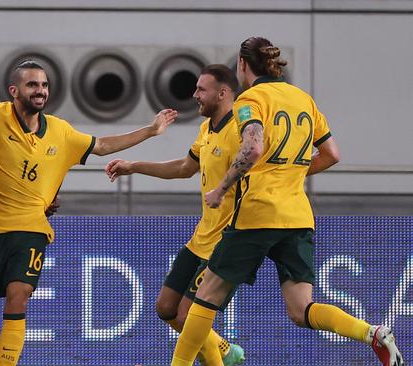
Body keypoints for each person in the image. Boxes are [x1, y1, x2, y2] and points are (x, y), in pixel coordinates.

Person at [170, 37, 403, 366]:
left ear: (242, 65)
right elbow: (332, 154)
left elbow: (252, 148)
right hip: (297, 217)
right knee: (301, 309)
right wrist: (289, 174)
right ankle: (371, 332)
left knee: (204, 299)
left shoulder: (251, 99)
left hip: (257, 214)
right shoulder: (303, 100)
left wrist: (221, 188)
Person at [0, 60, 178, 366]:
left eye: (44, 85)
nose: (40, 91)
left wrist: (151, 131)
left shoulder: (61, 132)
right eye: (32, 85)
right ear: (14, 90)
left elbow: (101, 145)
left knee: (18, 296)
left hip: (33, 230)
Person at [105, 64, 245, 366]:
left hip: (225, 245)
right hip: (200, 239)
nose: (194, 95)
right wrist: (134, 165)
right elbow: (185, 168)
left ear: (222, 93)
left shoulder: (241, 132)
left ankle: (223, 359)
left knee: (188, 316)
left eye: (201, 89)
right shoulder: (208, 129)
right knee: (166, 309)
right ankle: (224, 351)